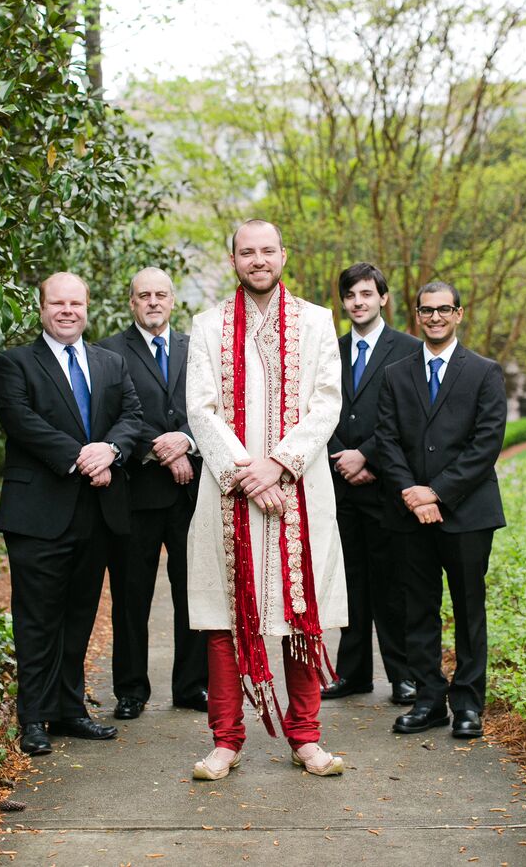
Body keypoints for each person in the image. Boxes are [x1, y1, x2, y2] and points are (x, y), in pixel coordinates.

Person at [186, 219, 347, 780]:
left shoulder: (317, 322)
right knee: (225, 618)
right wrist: (245, 472)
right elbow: (199, 409)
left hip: (299, 487)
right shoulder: (206, 326)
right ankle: (225, 742)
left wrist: (278, 463)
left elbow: (327, 403)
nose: (258, 259)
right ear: (233, 259)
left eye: (267, 250)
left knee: (303, 614)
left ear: (284, 255)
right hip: (228, 493)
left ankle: (305, 737)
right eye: (247, 251)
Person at [0, 272, 143, 756]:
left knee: (79, 616)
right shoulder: (14, 363)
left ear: (88, 307)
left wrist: (112, 451)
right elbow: (21, 422)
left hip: (96, 512)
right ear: (41, 309)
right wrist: (85, 456)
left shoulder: (110, 363)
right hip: (38, 513)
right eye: (57, 303)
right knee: (37, 618)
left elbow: (132, 417)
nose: (67, 311)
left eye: (75, 303)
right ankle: (34, 717)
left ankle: (70, 709)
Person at [376, 280, 507, 739]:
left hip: (469, 514)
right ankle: (429, 700)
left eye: (443, 309)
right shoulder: (395, 374)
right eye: (426, 310)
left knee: (469, 610)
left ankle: (469, 704)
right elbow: (386, 441)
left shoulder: (485, 372)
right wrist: (412, 493)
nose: (434, 317)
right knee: (418, 609)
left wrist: (436, 494)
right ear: (416, 314)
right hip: (409, 515)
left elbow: (486, 443)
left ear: (459, 313)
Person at [98, 268, 208, 720]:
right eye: (144, 295)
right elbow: (113, 413)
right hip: (135, 493)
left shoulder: (196, 347)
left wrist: (185, 439)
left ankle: (191, 686)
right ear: (131, 303)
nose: (153, 302)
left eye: (161, 294)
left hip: (190, 496)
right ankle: (130, 690)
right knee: (131, 594)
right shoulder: (107, 351)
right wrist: (159, 449)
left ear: (173, 300)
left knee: (192, 593)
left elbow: (212, 407)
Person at [324, 262, 420, 704]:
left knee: (392, 584)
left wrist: (368, 455)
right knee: (350, 582)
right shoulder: (329, 349)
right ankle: (353, 673)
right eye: (350, 296)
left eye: (366, 294)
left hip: (387, 486)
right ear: (342, 302)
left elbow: (413, 418)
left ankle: (403, 675)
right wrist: (344, 455)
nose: (358, 302)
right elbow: (318, 409)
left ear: (383, 297)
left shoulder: (409, 349)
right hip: (339, 484)